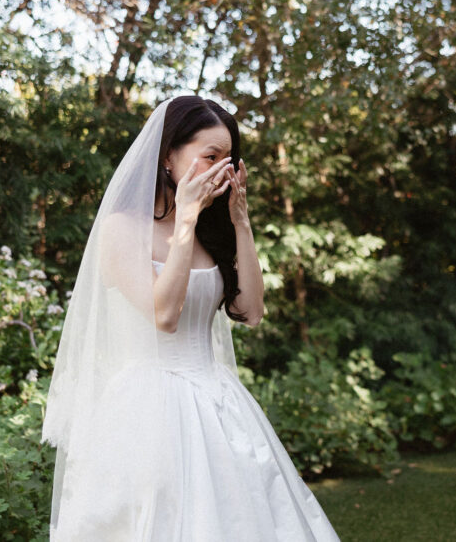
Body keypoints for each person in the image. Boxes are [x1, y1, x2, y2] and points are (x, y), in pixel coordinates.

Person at [43, 96, 339, 541]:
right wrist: (184, 221)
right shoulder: (123, 228)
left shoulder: (209, 229)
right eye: (210, 156)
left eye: (229, 159)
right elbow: (164, 314)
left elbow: (252, 311)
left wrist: (240, 222)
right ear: (167, 156)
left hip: (219, 399)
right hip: (149, 406)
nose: (222, 169)